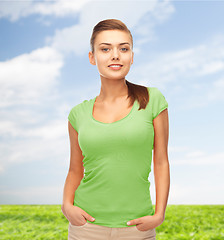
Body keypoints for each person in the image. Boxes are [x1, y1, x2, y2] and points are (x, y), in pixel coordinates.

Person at [61, 18, 170, 240]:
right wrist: (66, 206)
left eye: (123, 48)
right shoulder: (77, 114)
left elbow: (161, 161)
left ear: (132, 56)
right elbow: (75, 169)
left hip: (137, 226)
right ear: (92, 57)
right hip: (86, 227)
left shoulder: (152, 100)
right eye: (105, 49)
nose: (115, 55)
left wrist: (159, 214)